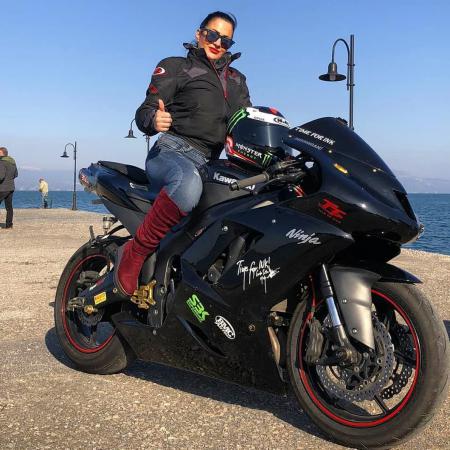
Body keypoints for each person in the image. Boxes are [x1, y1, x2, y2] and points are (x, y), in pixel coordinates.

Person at [115, 11, 251, 296]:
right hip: (173, 152)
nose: (218, 43)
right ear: (199, 33)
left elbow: (246, 121)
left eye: (226, 40)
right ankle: (135, 252)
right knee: (188, 186)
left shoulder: (237, 80)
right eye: (212, 35)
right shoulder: (177, 67)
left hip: (212, 163)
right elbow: (145, 109)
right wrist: (153, 119)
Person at [0, 147, 18, 229]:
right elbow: (16, 174)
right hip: (11, 187)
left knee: (9, 207)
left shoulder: (2, 162)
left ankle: (9, 225)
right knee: (9, 207)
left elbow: (1, 176)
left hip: (2, 188)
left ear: (2, 153)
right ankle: (9, 225)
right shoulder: (12, 162)